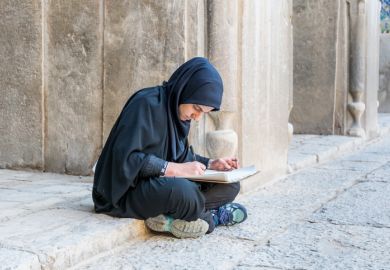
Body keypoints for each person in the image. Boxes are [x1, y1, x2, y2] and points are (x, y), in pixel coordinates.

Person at [92, 57, 247, 238]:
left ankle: (179, 216)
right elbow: (125, 160)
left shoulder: (179, 115)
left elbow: (180, 156)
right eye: (197, 108)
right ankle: (212, 219)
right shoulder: (145, 104)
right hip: (124, 192)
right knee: (184, 192)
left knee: (230, 185)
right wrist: (173, 169)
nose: (197, 117)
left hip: (159, 186)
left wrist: (212, 164)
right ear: (185, 89)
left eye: (203, 113)